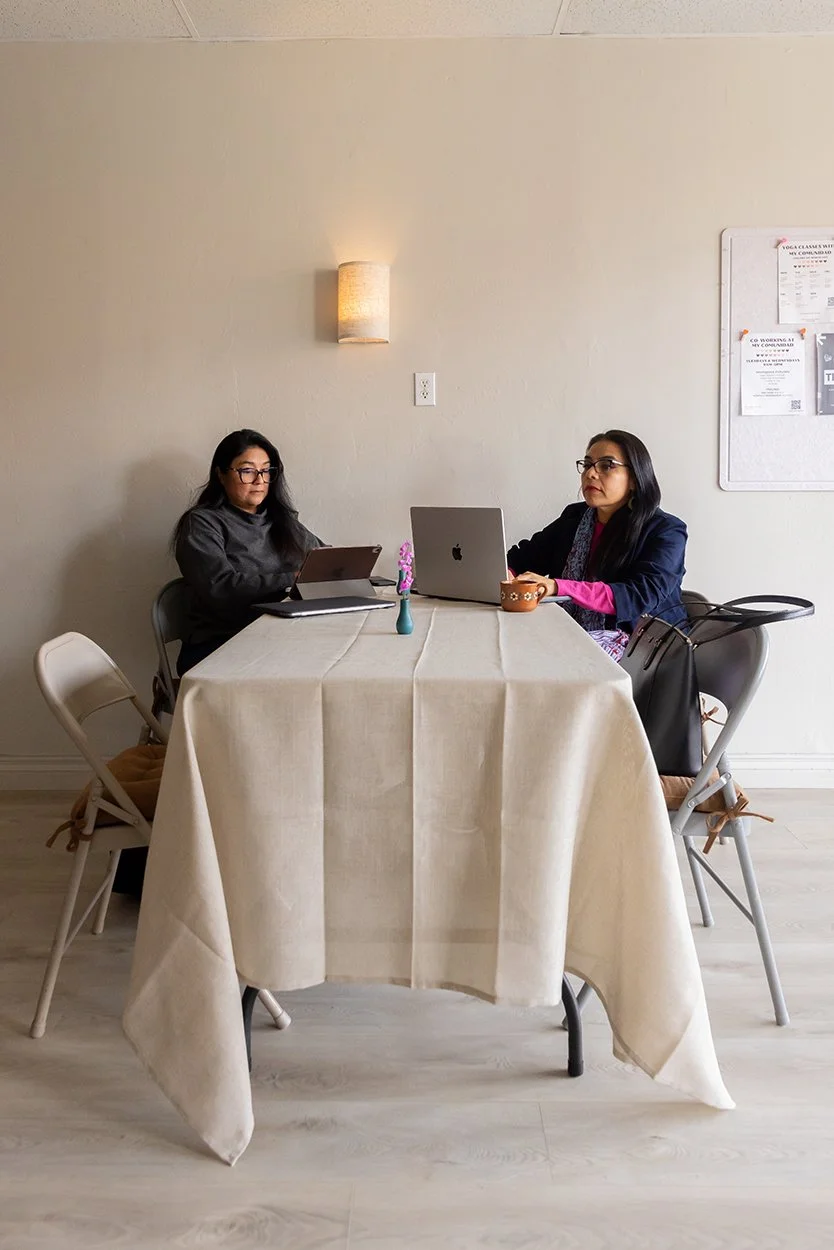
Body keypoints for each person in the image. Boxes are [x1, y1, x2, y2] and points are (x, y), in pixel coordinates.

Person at [507, 430, 686, 661]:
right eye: (587, 465)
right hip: (570, 633)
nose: (591, 473)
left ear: (634, 478)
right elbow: (523, 559)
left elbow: (637, 597)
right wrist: (505, 574)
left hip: (645, 651)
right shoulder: (575, 517)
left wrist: (559, 587)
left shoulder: (666, 531)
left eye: (607, 465)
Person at [172, 429, 322, 673]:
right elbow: (219, 587)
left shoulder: (280, 520)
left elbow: (322, 558)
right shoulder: (202, 523)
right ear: (221, 474)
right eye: (247, 471)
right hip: (221, 644)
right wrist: (291, 579)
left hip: (277, 637)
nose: (259, 480)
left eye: (266, 470)